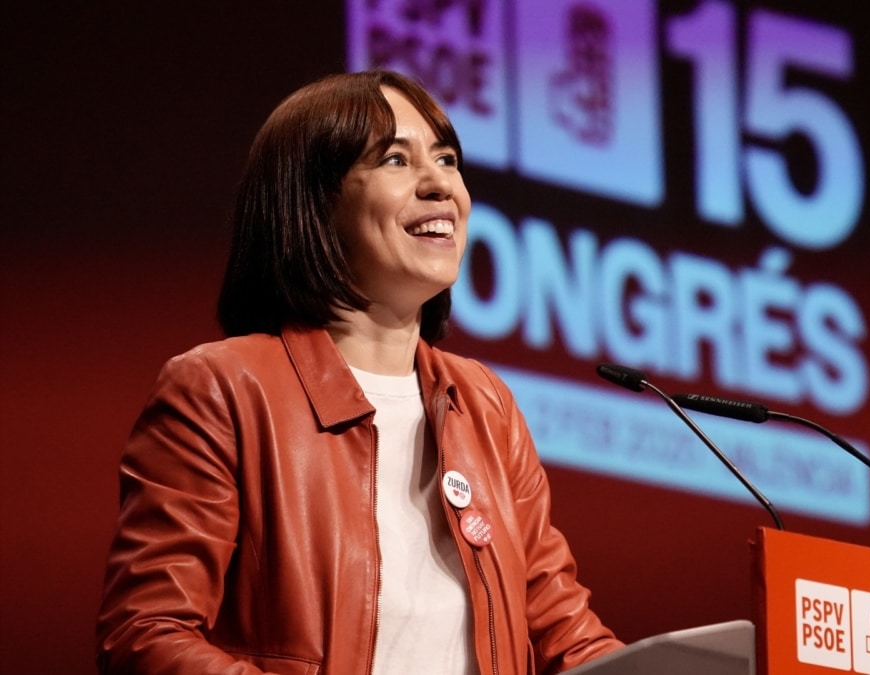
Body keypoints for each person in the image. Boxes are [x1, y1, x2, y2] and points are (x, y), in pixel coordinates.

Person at [95, 69, 624, 675]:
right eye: (396, 161)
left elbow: (564, 633)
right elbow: (144, 635)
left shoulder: (483, 401)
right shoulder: (224, 389)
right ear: (315, 203)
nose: (440, 185)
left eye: (447, 159)